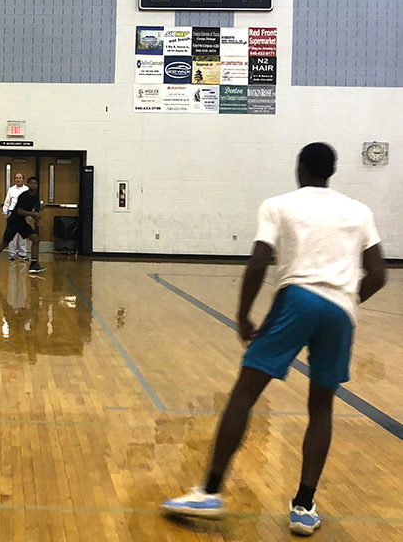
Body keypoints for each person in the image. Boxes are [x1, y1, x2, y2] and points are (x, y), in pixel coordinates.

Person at [161, 142, 386, 536]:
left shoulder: (279, 205)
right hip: (341, 311)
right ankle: (303, 507)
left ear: (300, 168)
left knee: (245, 393)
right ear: (331, 171)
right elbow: (379, 274)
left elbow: (259, 259)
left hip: (297, 299)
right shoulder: (359, 210)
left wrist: (244, 315)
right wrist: (347, 302)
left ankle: (209, 492)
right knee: (321, 407)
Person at [0, 176, 46, 274]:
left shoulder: (35, 196)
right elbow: (19, 211)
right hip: (14, 221)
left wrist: (36, 218)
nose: (33, 185)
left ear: (37, 185)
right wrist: (32, 214)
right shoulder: (24, 195)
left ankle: (34, 264)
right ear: (28, 184)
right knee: (5, 242)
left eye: (35, 183)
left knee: (35, 239)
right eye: (31, 183)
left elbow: (32, 211)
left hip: (22, 222)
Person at [1, 172, 30, 261]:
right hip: (13, 214)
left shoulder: (27, 189)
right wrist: (5, 213)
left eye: (20, 178)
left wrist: (30, 214)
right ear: (15, 179)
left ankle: (23, 254)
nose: (18, 179)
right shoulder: (11, 189)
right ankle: (12, 254)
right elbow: (6, 203)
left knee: (23, 235)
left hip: (23, 214)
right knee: (12, 236)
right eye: (16, 178)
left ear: (23, 179)